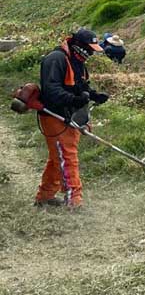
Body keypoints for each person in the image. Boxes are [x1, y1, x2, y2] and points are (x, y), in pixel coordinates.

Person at [35, 28, 108, 209]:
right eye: (89, 48)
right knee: (67, 158)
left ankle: (45, 196)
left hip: (69, 116)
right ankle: (74, 201)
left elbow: (80, 85)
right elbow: (51, 91)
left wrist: (93, 95)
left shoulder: (77, 62)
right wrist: (75, 100)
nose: (91, 53)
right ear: (79, 46)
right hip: (54, 115)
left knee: (57, 158)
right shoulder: (56, 59)